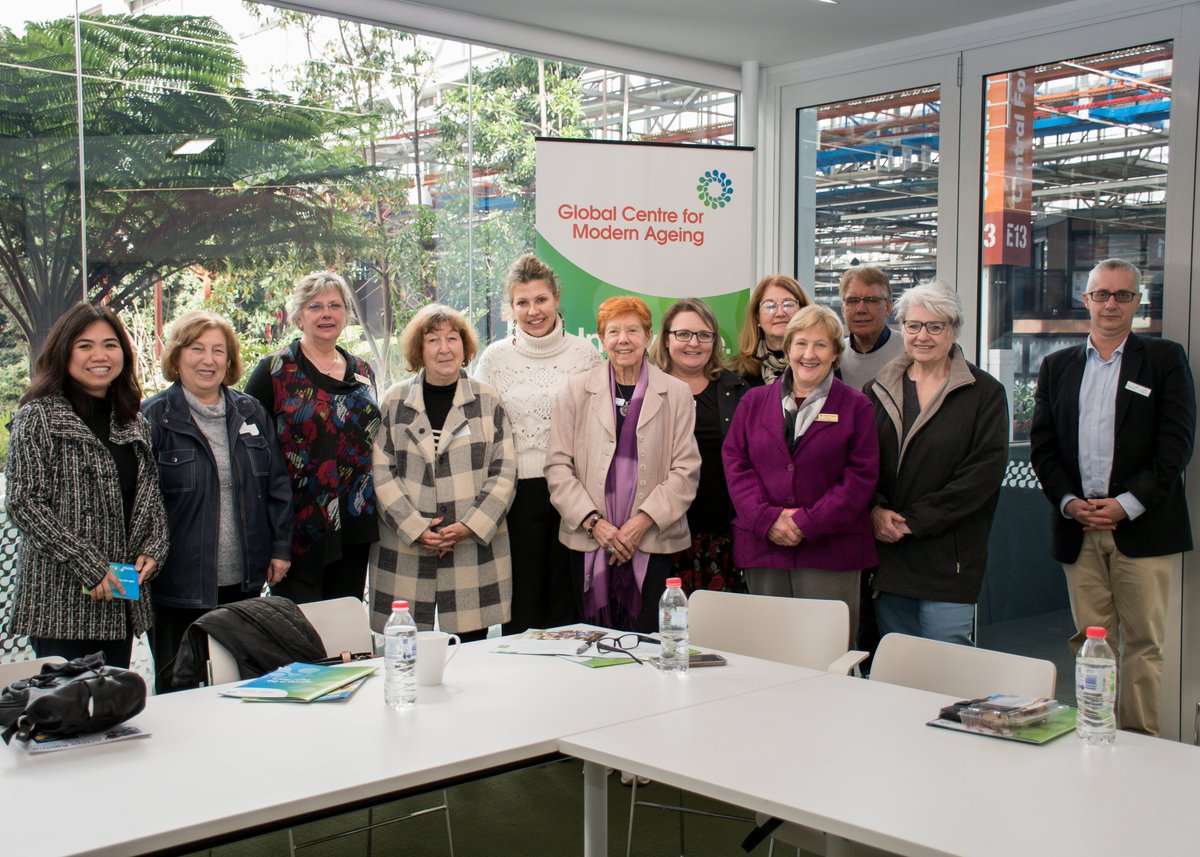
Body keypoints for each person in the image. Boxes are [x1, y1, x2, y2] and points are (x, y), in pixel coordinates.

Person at [1030, 258, 1195, 736]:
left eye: (1122, 295)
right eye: (1102, 294)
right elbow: (1043, 447)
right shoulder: (1056, 366)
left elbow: (1176, 445)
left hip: (1142, 525)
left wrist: (1127, 503)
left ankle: (1141, 742)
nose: (1110, 304)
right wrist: (1067, 501)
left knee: (1144, 643)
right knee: (1090, 643)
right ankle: (1095, 733)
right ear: (1086, 300)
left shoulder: (1164, 360)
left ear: (1137, 303)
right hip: (1078, 526)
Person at [5, 303, 169, 669]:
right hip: (61, 600)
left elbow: (149, 498)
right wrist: (88, 564)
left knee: (112, 710)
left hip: (119, 598)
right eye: (85, 345)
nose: (100, 355)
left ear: (123, 354)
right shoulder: (39, 416)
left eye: (110, 345)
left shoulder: (133, 421)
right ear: (64, 352)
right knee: (67, 714)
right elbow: (24, 503)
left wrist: (155, 548)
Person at [141, 311, 293, 691]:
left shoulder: (251, 411)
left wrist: (279, 548)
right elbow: (140, 501)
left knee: (240, 687)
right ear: (177, 357)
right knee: (179, 691)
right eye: (197, 349)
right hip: (177, 586)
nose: (208, 360)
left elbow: (277, 485)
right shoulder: (153, 417)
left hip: (243, 581)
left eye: (218, 351)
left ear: (230, 360)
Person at [723, 305, 878, 644]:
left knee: (826, 651)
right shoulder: (752, 401)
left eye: (821, 345)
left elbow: (860, 477)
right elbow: (736, 464)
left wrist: (807, 524)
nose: (809, 354)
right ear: (788, 347)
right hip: (764, 547)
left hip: (830, 550)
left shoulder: (856, 405)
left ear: (836, 352)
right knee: (769, 648)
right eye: (801, 343)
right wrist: (768, 519)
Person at [865, 281, 1008, 645]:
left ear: (954, 330)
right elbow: (860, 462)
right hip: (890, 554)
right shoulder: (878, 388)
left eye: (935, 326)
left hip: (949, 559)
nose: (922, 336)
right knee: (898, 670)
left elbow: (982, 474)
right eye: (913, 326)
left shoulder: (984, 392)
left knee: (947, 671)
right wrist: (874, 510)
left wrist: (914, 521)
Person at [546, 297, 700, 633]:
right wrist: (595, 523)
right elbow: (558, 466)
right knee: (591, 640)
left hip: (653, 539)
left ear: (648, 336)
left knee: (647, 641)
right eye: (613, 331)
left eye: (632, 330)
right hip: (589, 539)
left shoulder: (676, 394)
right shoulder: (574, 391)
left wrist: (639, 524)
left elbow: (685, 470)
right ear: (601, 339)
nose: (623, 339)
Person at [370, 304, 516, 642]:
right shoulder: (395, 400)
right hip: (406, 546)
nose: (444, 348)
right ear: (419, 350)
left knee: (471, 657)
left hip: (471, 547)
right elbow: (381, 470)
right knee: (406, 654)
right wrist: (416, 527)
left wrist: (470, 525)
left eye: (453, 338)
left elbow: (505, 470)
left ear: (464, 347)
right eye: (433, 339)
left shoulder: (487, 400)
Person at [475, 254, 601, 633]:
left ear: (557, 298)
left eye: (541, 299)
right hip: (515, 497)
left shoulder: (586, 355)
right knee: (523, 607)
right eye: (522, 302)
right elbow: (482, 433)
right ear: (510, 308)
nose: (533, 311)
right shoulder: (494, 359)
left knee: (568, 606)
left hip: (573, 494)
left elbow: (599, 430)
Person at [244, 271, 379, 604]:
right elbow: (249, 452)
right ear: (299, 317)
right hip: (296, 529)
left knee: (342, 632)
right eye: (315, 306)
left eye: (335, 305)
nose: (326, 313)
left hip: (353, 522)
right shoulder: (273, 371)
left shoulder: (362, 369)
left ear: (347, 314)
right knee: (297, 634)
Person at [648, 298, 748, 594]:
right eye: (683, 334)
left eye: (704, 335)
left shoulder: (736, 390)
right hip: (660, 530)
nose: (694, 343)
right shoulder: (645, 389)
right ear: (666, 339)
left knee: (716, 629)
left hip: (719, 531)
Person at [731, 274, 811, 387]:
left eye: (788, 304)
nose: (780, 313)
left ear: (803, 311)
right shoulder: (737, 372)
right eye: (770, 306)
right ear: (757, 316)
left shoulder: (815, 363)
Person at [837, 266, 905, 392]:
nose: (861, 309)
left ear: (888, 307)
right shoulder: (834, 356)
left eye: (872, 300)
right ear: (842, 309)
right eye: (852, 301)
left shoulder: (909, 351)